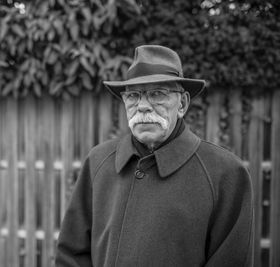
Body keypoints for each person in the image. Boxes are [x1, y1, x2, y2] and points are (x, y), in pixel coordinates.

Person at [55, 45, 254, 267]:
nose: (142, 106)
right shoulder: (98, 161)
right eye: (133, 96)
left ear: (183, 104)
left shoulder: (225, 174)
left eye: (157, 94)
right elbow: (71, 255)